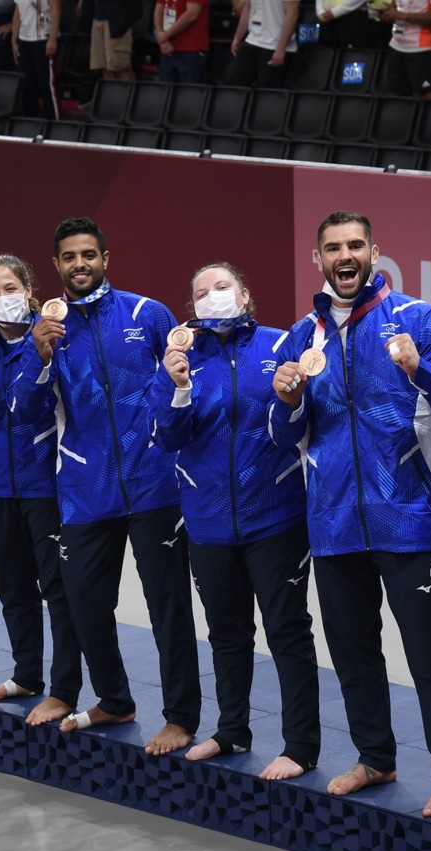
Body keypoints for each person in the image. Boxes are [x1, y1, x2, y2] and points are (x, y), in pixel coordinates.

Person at [267, 211, 431, 818]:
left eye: (355, 245)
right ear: (318, 259)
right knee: (353, 650)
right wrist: (287, 401)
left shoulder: (419, 319)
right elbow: (282, 436)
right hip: (333, 521)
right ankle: (374, 756)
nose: (346, 255)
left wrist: (419, 369)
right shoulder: (300, 337)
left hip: (407, 515)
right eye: (333, 247)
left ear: (374, 252)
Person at [15, 216, 201, 756]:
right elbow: (27, 412)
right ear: (56, 265)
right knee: (82, 602)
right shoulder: (45, 330)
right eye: (70, 257)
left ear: (105, 259)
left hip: (153, 483)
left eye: (88, 255)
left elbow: (186, 382)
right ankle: (115, 699)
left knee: (168, 607)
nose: (80, 264)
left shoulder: (148, 315)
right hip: (84, 487)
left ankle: (180, 717)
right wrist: (39, 358)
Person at [150, 262, 320, 780]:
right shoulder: (180, 358)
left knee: (287, 631)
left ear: (245, 294)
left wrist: (292, 398)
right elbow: (166, 437)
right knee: (226, 633)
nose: (212, 297)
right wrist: (178, 387)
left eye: (222, 287)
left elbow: (298, 425)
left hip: (276, 516)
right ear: (191, 307)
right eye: (201, 293)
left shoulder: (281, 345)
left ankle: (300, 746)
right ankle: (231, 731)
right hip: (207, 520)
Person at [0, 254, 82, 725]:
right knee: (13, 586)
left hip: (48, 485)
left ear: (29, 290)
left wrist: (41, 356)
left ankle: (64, 689)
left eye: (10, 288)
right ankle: (27, 674)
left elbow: (34, 406)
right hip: (1, 488)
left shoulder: (51, 339)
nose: (2, 298)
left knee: (58, 591)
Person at [381, 0, 431, 99]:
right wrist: (387, 14)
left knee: (428, 95)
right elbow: (395, 8)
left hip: (422, 48)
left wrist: (402, 15)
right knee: (397, 98)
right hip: (396, 45)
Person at [228, 0, 300, 88]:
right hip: (253, 39)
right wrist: (237, 37)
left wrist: (281, 49)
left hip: (274, 45)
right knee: (234, 87)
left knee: (267, 91)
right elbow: (248, 7)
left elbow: (292, 14)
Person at [12, 0, 61, 117]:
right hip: (24, 39)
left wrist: (52, 38)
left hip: (43, 38)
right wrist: (14, 40)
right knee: (27, 84)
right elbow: (17, 12)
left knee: (46, 84)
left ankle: (54, 119)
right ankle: (31, 119)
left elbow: (56, 10)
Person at [155, 0, 209, 83]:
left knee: (190, 89)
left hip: (191, 48)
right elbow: (159, 10)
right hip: (168, 49)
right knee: (165, 88)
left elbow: (191, 15)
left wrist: (166, 35)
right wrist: (162, 38)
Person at [85, 0, 138, 82]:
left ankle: (128, 89)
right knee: (103, 66)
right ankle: (111, 89)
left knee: (121, 66)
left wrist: (124, 21)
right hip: (97, 18)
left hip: (117, 20)